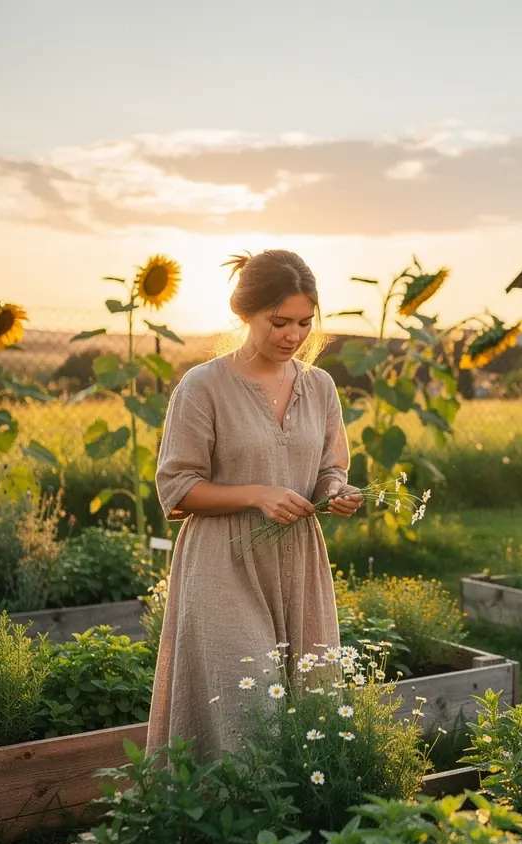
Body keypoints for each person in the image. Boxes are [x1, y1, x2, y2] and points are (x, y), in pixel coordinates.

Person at [146, 249, 363, 759]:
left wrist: (335, 492)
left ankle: (298, 829)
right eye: (279, 321)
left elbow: (331, 468)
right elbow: (176, 488)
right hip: (224, 563)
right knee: (246, 710)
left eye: (304, 323)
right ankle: (221, 823)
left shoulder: (321, 387)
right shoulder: (203, 387)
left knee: (312, 705)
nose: (293, 336)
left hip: (299, 564)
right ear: (245, 313)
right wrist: (256, 495)